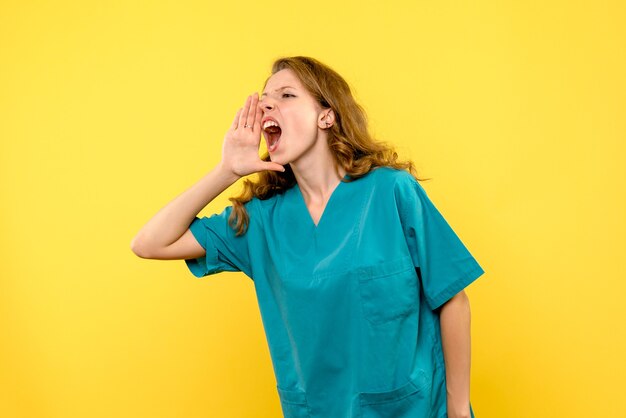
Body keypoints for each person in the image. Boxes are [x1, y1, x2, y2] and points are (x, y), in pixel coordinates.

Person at [131, 56, 485, 418]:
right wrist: (226, 171)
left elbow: (453, 299)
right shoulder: (262, 221)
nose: (267, 103)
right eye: (265, 97)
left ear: (326, 116)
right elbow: (150, 243)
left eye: (286, 95)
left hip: (415, 409)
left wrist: (458, 410)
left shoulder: (392, 192)